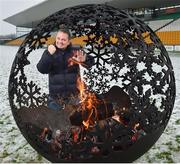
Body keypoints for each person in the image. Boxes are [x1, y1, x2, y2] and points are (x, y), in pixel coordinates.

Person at [37, 29, 94, 110]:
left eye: (63, 39)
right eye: (58, 38)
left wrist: (84, 60)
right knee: (55, 121)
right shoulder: (49, 52)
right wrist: (49, 55)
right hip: (55, 98)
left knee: (76, 121)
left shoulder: (76, 50)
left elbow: (91, 62)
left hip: (74, 98)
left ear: (68, 41)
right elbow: (41, 69)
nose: (60, 41)